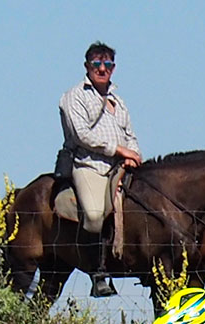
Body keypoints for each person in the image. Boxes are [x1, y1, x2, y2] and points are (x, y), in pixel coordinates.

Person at [59, 41, 142, 297]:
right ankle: (98, 273)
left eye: (107, 64)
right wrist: (119, 150)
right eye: (97, 63)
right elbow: (82, 135)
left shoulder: (119, 101)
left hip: (121, 167)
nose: (102, 68)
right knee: (95, 215)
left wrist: (134, 155)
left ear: (113, 68)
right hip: (89, 165)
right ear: (87, 66)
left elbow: (130, 134)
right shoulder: (74, 96)